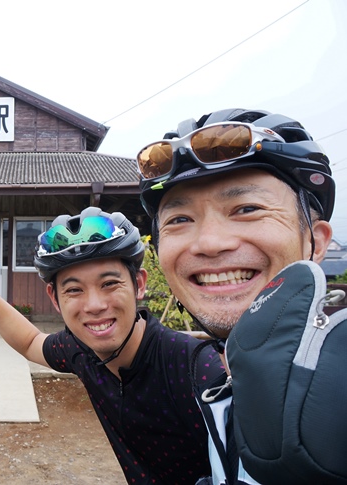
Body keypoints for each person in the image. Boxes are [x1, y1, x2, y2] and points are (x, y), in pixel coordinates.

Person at [0, 208, 223, 484]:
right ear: (55, 298)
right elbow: (30, 342)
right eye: (74, 290)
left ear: (139, 284)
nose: (95, 306)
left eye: (110, 284)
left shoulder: (197, 371)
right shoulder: (80, 351)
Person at [137, 108, 335, 484]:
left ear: (316, 240)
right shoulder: (223, 392)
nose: (210, 243)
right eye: (179, 220)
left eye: (247, 209)